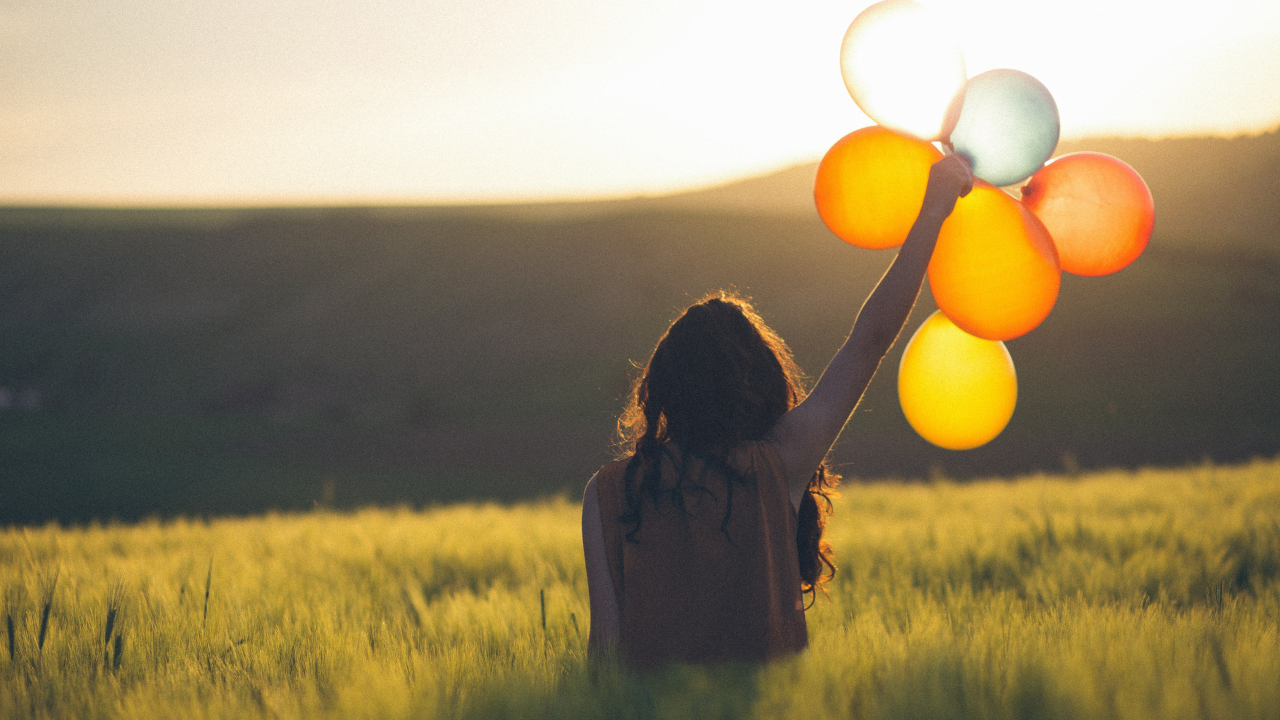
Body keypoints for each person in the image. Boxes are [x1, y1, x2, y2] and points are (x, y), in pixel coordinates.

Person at [582, 154, 973, 670]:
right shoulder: (778, 463)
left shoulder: (608, 492)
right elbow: (870, 341)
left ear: (665, 388)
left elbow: (605, 647)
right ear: (758, 382)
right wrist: (933, 210)